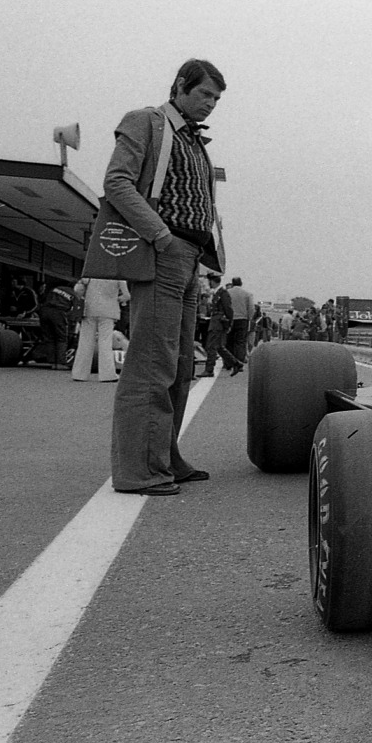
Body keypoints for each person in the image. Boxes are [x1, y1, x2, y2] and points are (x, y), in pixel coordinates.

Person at [106, 58, 227, 496]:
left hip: (189, 259)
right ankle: (139, 470)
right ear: (180, 86)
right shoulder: (147, 122)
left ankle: (165, 457)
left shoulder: (194, 140)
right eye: (204, 94)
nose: (211, 103)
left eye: (216, 98)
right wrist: (160, 237)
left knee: (178, 366)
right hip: (164, 252)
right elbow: (117, 183)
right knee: (151, 364)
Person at [72, 278, 130, 382]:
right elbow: (127, 295)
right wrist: (115, 299)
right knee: (105, 343)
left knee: (85, 342)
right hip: (108, 311)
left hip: (89, 310)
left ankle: (79, 374)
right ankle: (107, 375)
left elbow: (77, 289)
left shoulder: (91, 273)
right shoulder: (118, 276)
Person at [199, 273, 238, 377]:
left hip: (218, 323)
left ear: (212, 281)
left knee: (211, 346)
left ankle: (209, 369)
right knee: (219, 347)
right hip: (216, 321)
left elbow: (228, 309)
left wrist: (229, 323)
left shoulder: (223, 293)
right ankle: (236, 363)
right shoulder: (218, 293)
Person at [225, 276, 254, 369]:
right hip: (242, 319)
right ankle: (239, 363)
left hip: (229, 319)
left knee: (229, 341)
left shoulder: (227, 292)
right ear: (241, 283)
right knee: (240, 342)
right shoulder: (247, 294)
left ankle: (228, 362)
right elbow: (251, 308)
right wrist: (249, 318)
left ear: (232, 283)